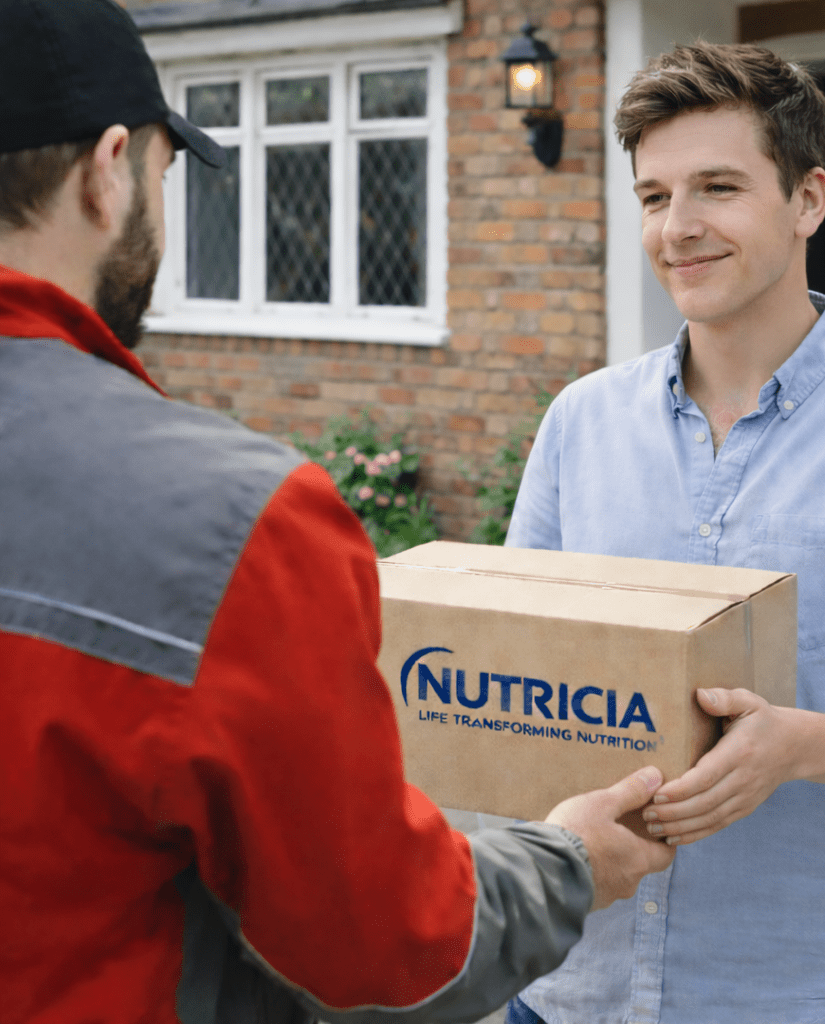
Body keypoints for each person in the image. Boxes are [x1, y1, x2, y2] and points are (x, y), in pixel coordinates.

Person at [0, 2, 675, 1022]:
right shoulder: (231, 520)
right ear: (107, 171)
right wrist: (568, 860)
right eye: (163, 173)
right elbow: (384, 951)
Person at [506, 42, 825, 1024]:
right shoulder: (580, 420)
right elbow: (527, 669)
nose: (678, 227)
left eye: (717, 187)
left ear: (807, 200)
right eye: (654, 196)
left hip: (799, 994)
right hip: (572, 983)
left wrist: (795, 745)